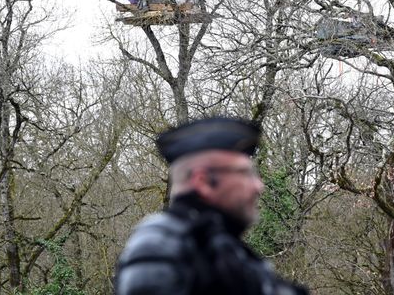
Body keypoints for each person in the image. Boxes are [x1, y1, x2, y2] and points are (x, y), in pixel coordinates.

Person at [114, 117, 309, 295]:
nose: (259, 186)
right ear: (203, 181)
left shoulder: (223, 248)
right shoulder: (160, 243)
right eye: (245, 173)